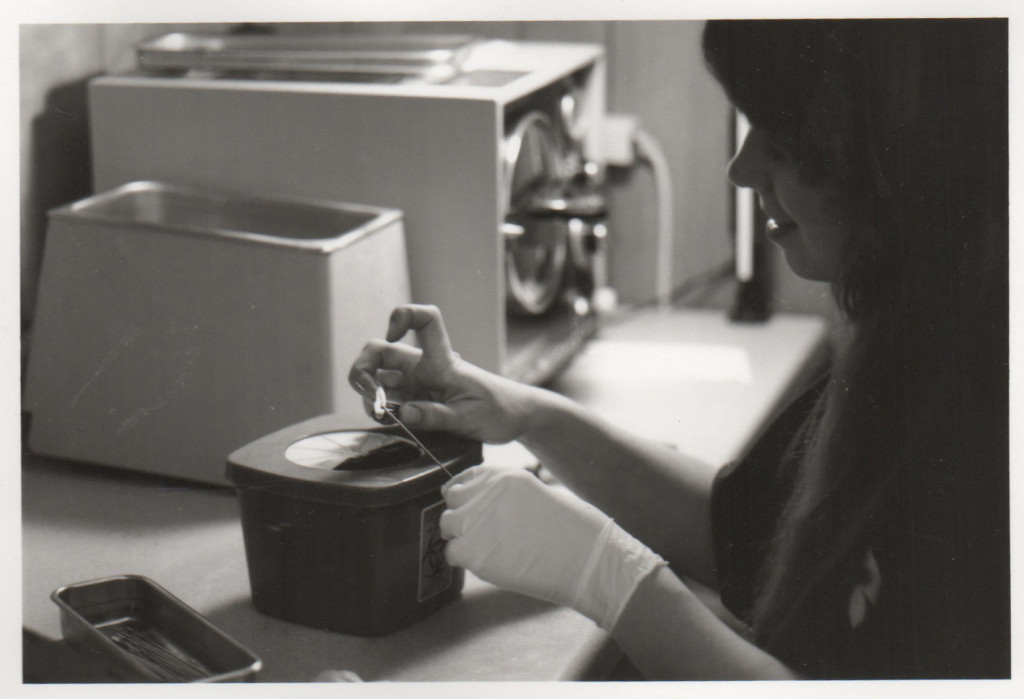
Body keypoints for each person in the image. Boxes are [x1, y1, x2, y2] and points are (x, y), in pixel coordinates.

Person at [348, 19, 1008, 680]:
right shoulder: (910, 328)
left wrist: (607, 573)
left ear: (877, 155)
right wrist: (526, 412)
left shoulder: (982, 408)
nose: (741, 167)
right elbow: (743, 526)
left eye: (776, 141)